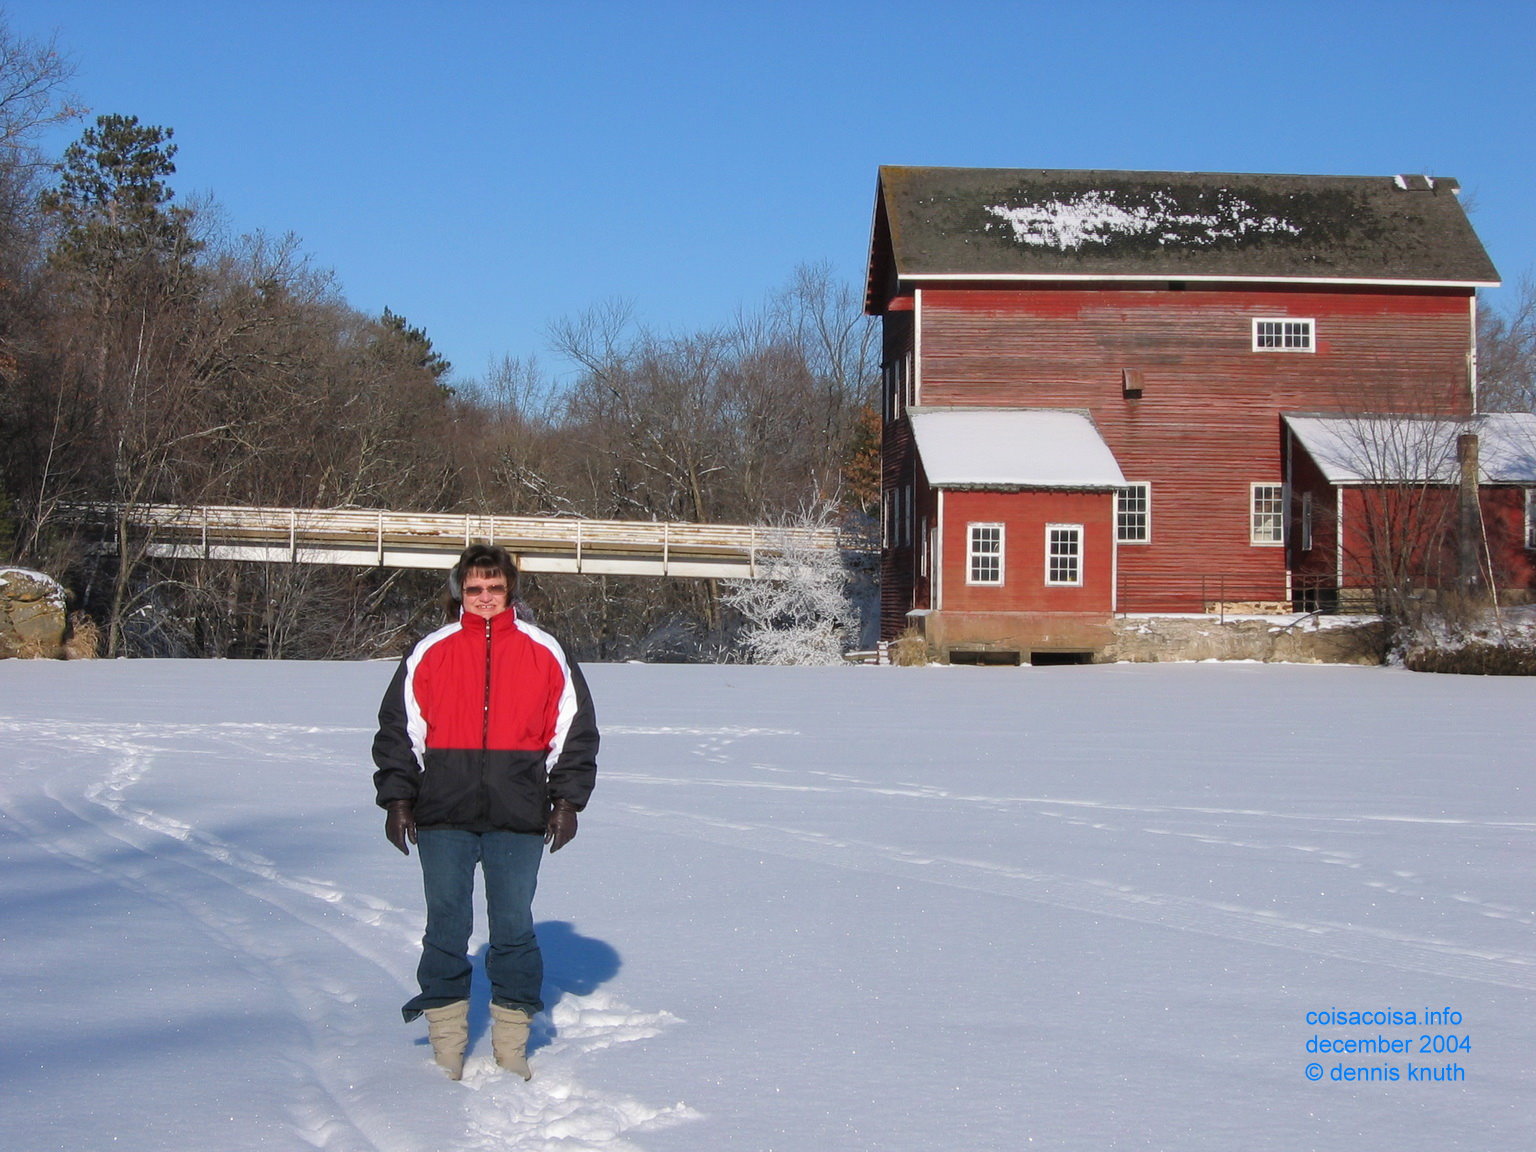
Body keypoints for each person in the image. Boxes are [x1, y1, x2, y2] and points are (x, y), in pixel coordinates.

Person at [372, 544, 598, 1080]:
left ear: (510, 589)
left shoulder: (545, 649)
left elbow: (575, 733)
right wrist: (398, 799)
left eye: (494, 588)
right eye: (474, 588)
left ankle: (511, 1043)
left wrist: (566, 802)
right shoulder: (432, 649)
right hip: (443, 814)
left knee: (514, 929)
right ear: (460, 592)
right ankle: (447, 1042)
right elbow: (400, 731)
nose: (485, 598)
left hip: (518, 814)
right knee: (446, 928)